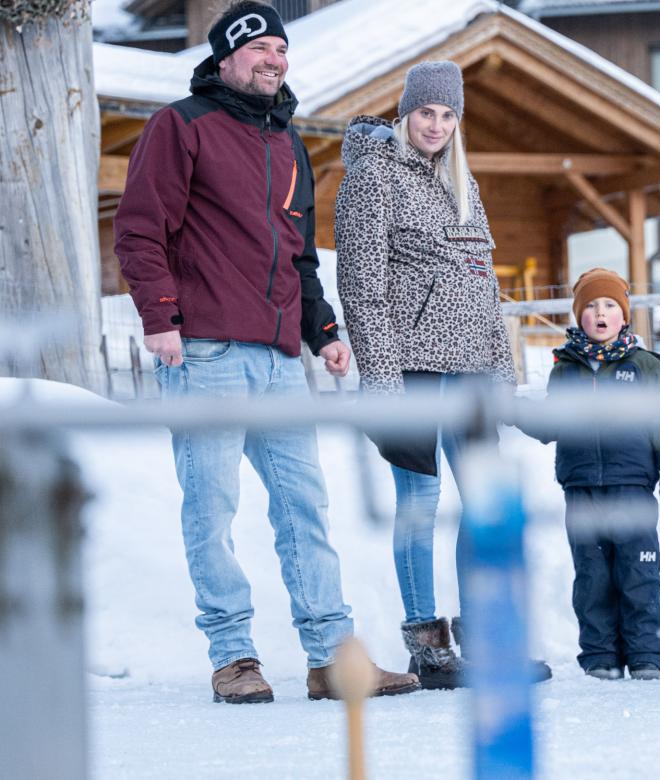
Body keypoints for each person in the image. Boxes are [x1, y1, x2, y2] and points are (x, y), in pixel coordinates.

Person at [112, 0, 418, 703]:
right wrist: (160, 316)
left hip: (282, 359)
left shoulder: (288, 143)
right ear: (225, 58)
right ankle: (234, 656)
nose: (272, 59)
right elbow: (139, 229)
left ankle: (330, 655)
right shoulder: (179, 125)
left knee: (304, 508)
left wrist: (325, 330)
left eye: (280, 49)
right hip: (206, 351)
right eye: (257, 50)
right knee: (211, 509)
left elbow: (299, 255)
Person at [332, 59, 547, 687]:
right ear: (405, 113)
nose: (436, 124)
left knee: (484, 500)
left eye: (447, 114)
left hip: (472, 366)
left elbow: (486, 289)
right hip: (412, 367)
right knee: (419, 503)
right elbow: (362, 285)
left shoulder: (462, 180)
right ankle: (427, 647)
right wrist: (382, 377)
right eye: (426, 112)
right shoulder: (374, 175)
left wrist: (501, 376)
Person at [521, 269, 660, 681]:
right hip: (581, 489)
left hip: (632, 487)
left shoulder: (646, 367)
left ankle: (647, 653)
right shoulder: (565, 369)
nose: (600, 313)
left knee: (638, 572)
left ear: (624, 314)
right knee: (592, 577)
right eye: (591, 306)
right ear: (579, 315)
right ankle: (600, 656)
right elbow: (552, 424)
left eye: (610, 305)